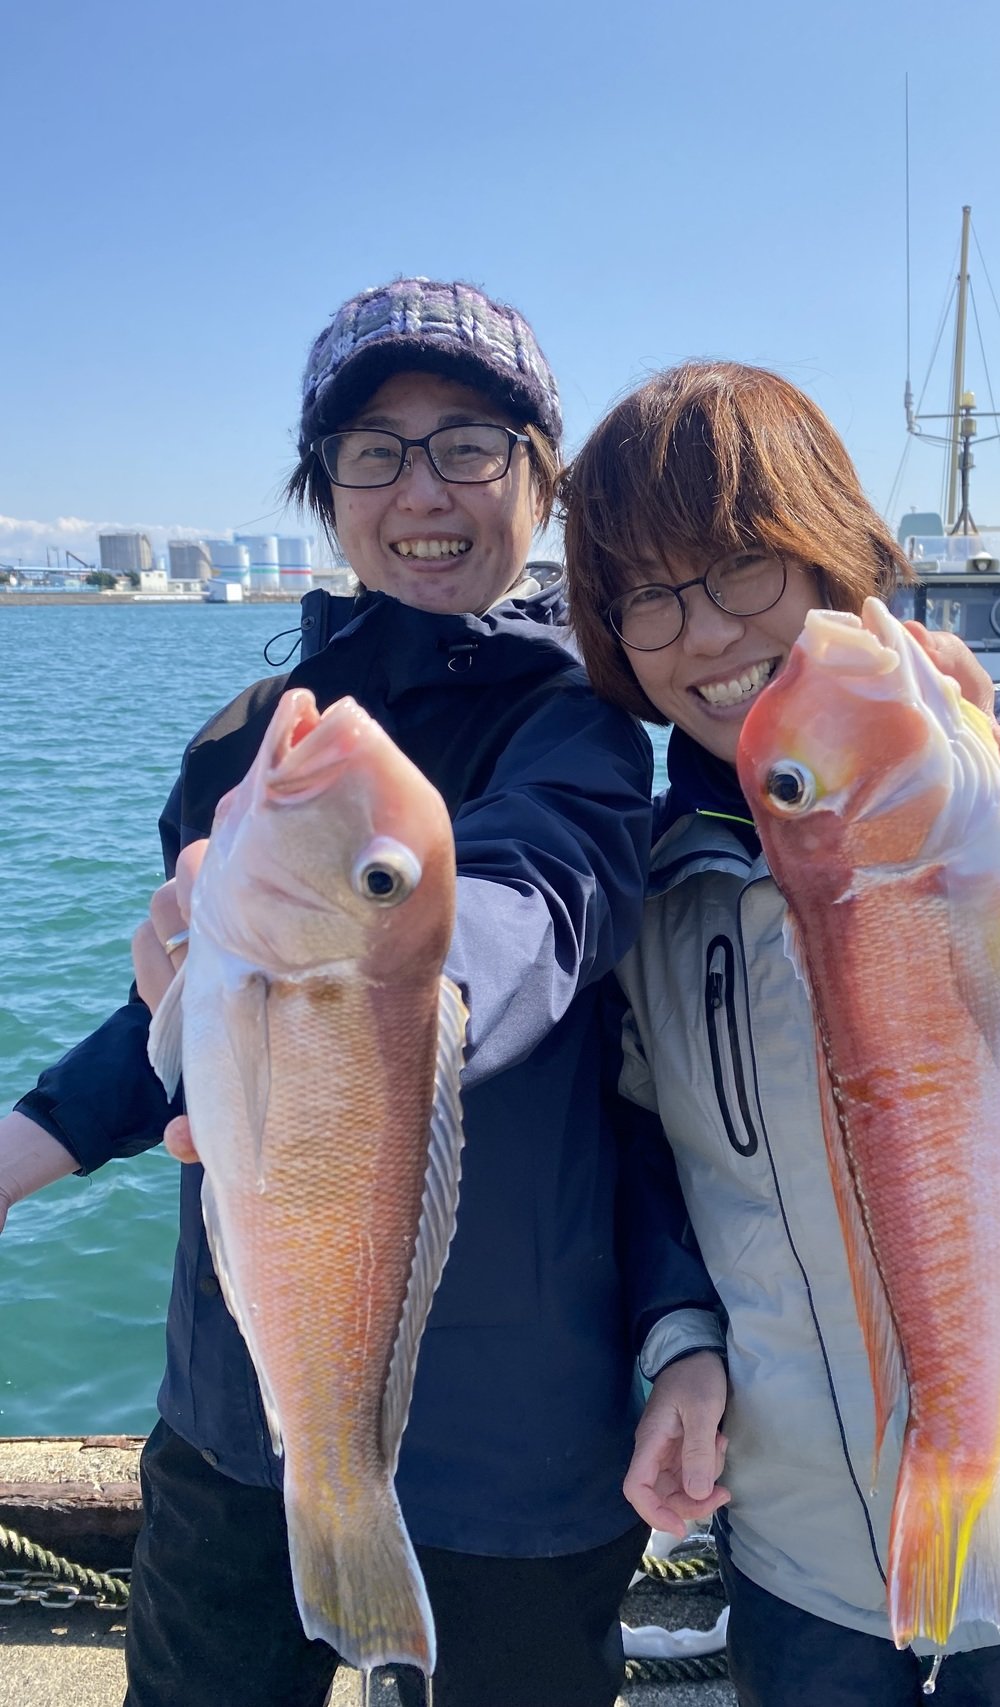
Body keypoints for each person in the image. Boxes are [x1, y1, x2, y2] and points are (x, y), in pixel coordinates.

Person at [0, 280, 725, 1707]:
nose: (422, 489)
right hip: (239, 1404)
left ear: (542, 481)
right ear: (323, 489)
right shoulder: (248, 747)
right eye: (374, 451)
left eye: (470, 444)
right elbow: (192, 1024)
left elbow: (538, 908)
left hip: (515, 1441)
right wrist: (24, 1149)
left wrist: (370, 974)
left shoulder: (579, 729)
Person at [559, 359, 1000, 1706]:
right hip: (798, 1546)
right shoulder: (653, 882)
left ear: (835, 547)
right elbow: (649, 1153)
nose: (704, 632)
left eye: (740, 564)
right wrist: (677, 1338)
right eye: (645, 595)